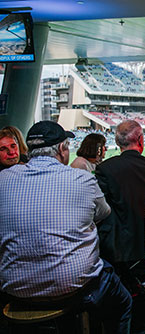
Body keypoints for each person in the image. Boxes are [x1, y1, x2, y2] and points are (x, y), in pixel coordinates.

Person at [0, 121, 132, 333]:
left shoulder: (3, 179)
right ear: (62, 149)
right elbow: (103, 213)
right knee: (123, 302)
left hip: (15, 290)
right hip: (76, 291)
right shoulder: (82, 178)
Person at [95, 120, 145, 280]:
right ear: (141, 140)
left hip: (121, 250)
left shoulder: (105, 169)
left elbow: (102, 210)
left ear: (117, 142)